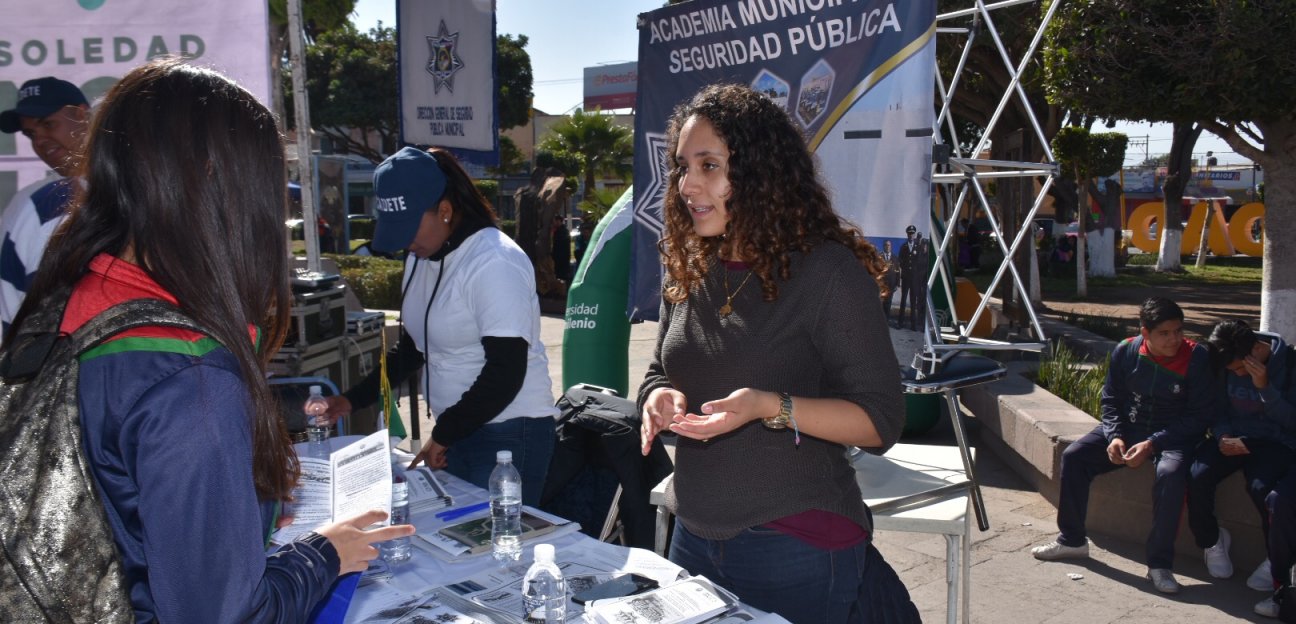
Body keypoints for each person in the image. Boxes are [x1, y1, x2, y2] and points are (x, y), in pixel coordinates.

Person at [2, 58, 410, 622]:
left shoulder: (71, 291)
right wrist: (325, 554)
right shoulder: (190, 378)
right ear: (223, 185)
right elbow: (226, 614)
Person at [637, 83, 916, 623]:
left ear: (761, 174)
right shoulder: (691, 266)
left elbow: (881, 422)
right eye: (681, 167)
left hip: (798, 544)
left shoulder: (827, 274)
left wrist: (771, 406)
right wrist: (659, 397)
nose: (688, 185)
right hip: (693, 535)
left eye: (710, 165)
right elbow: (657, 370)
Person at [322, 146, 558, 505]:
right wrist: (352, 400)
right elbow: (413, 349)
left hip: (510, 432)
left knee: (499, 548)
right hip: (459, 429)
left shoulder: (495, 261)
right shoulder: (422, 256)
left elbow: (505, 372)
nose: (405, 244)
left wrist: (444, 434)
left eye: (409, 229)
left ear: (445, 210)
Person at [1030, 297, 1214, 594]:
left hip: (1173, 436)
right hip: (1128, 427)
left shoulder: (1197, 358)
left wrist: (1153, 444)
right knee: (1075, 456)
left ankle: (1159, 565)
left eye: (1178, 331)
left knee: (1171, 474)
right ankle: (1072, 541)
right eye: (1164, 334)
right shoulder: (1126, 351)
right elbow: (1111, 399)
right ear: (1145, 333)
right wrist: (1115, 435)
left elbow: (1200, 416)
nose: (1174, 340)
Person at [1188, 320, 1296, 589]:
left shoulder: (1290, 364)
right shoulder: (1224, 360)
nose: (1236, 374)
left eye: (1239, 369)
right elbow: (1217, 407)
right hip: (1232, 437)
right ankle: (1212, 541)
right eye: (1231, 371)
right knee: (1197, 475)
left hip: (1273, 442)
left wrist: (1264, 388)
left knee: (1262, 489)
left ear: (1258, 350)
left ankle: (1277, 559)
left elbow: (1292, 423)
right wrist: (1223, 434)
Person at [0, 76, 90, 332]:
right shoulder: (46, 203)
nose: (39, 141)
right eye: (31, 134)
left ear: (82, 115)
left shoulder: (120, 189)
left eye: (48, 125)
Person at [897, 224, 922, 330]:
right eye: (910, 233)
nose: (911, 235)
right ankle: (900, 322)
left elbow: (920, 261)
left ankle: (913, 324)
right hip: (906, 277)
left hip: (914, 279)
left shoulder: (918, 246)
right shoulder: (904, 247)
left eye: (913, 233)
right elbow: (900, 260)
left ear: (915, 234)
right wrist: (906, 269)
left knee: (913, 301)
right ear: (907, 234)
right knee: (903, 300)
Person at [880, 240, 899, 323]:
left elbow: (898, 272)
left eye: (889, 245)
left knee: (889, 303)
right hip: (882, 284)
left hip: (891, 284)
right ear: (883, 246)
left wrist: (897, 284)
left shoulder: (895, 258)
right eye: (886, 245)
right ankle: (881, 320)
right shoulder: (879, 257)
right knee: (882, 302)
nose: (887, 247)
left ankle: (886, 321)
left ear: (891, 247)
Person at [551, 213, 572, 282]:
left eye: (556, 221)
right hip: (559, 257)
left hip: (561, 257)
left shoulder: (563, 231)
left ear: (559, 221)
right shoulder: (558, 231)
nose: (555, 223)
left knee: (562, 275)